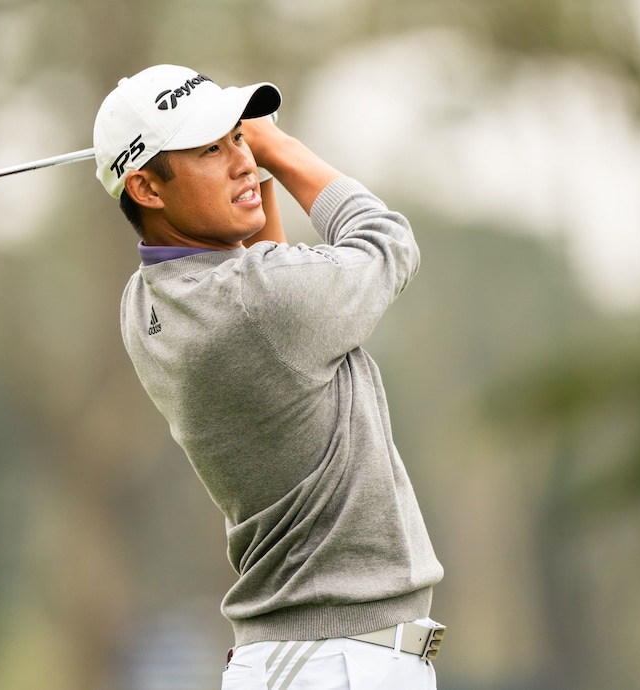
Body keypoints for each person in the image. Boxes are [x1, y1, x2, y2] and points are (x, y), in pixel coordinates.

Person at [93, 64, 445, 690]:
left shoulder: (144, 304)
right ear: (146, 188)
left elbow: (267, 270)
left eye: (239, 139)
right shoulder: (259, 305)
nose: (242, 161)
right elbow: (388, 242)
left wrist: (244, 174)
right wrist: (279, 148)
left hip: (314, 659)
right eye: (211, 149)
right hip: (332, 664)